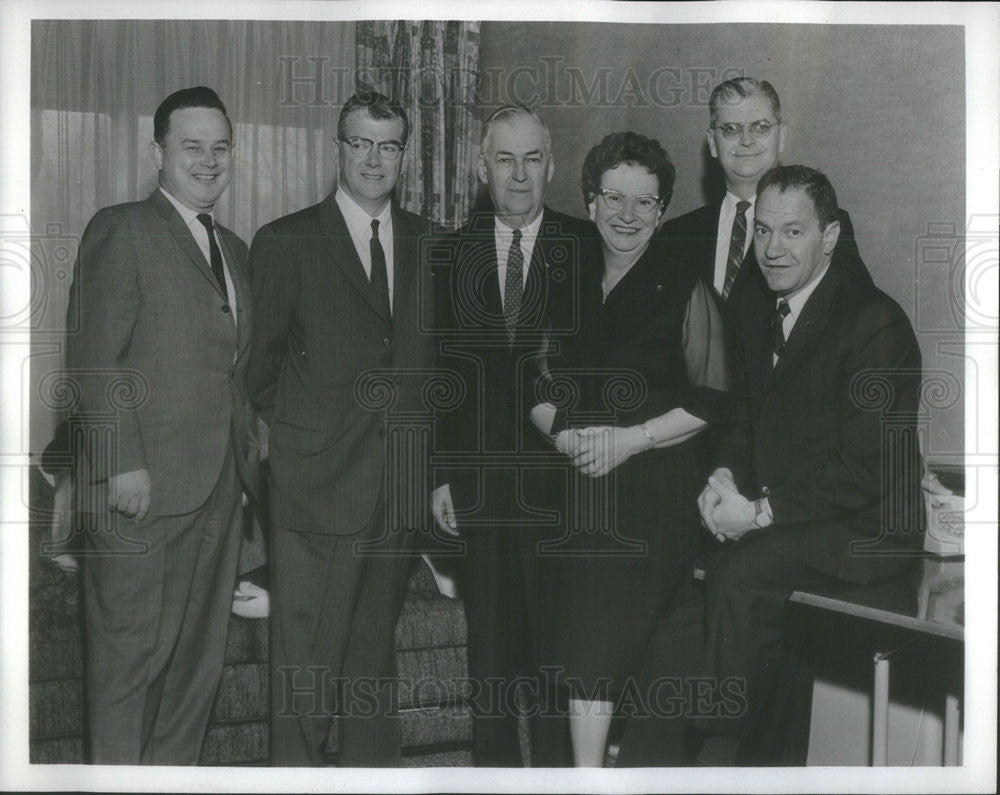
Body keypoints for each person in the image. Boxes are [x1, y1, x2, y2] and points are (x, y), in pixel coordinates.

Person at [618, 165, 924, 766]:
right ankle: (645, 762)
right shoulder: (757, 311)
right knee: (686, 571)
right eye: (762, 232)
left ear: (829, 238)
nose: (773, 249)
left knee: (742, 573)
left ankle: (715, 751)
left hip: (868, 529)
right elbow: (741, 422)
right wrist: (723, 479)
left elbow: (864, 470)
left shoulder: (875, 324)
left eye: (792, 233)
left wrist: (757, 513)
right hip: (798, 517)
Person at [65, 86, 258, 764]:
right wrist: (123, 463)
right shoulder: (121, 228)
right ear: (158, 153)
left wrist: (247, 477)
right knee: (127, 674)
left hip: (217, 499)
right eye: (191, 147)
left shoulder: (233, 248)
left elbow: (230, 376)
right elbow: (94, 357)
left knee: (193, 679)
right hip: (138, 496)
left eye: (220, 148)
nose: (208, 161)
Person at [528, 132, 731, 766]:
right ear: (589, 202)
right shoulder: (564, 279)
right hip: (577, 484)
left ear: (663, 210)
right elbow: (530, 379)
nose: (627, 214)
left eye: (645, 202)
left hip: (654, 494)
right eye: (613, 197)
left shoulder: (685, 285)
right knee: (582, 657)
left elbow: (712, 400)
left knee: (600, 652)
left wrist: (629, 440)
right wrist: (560, 434)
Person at [249, 91, 436, 766]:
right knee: (306, 672)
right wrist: (299, 454)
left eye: (388, 145)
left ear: (403, 155)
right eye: (361, 143)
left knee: (370, 669)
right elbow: (257, 374)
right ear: (338, 148)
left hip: (399, 492)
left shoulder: (430, 242)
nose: (374, 158)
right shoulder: (286, 241)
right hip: (315, 490)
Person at [429, 105, 590, 766]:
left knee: (558, 663)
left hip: (566, 489)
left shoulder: (588, 249)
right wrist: (437, 472)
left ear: (550, 167)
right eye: (504, 159)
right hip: (482, 492)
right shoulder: (449, 253)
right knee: (491, 665)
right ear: (480, 166)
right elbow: (437, 375)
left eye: (532, 160)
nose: (519, 175)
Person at [659, 77, 869, 308]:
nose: (747, 140)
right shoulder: (676, 234)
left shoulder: (821, 224)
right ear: (712, 143)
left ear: (782, 136)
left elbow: (855, 316)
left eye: (760, 127)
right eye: (731, 129)